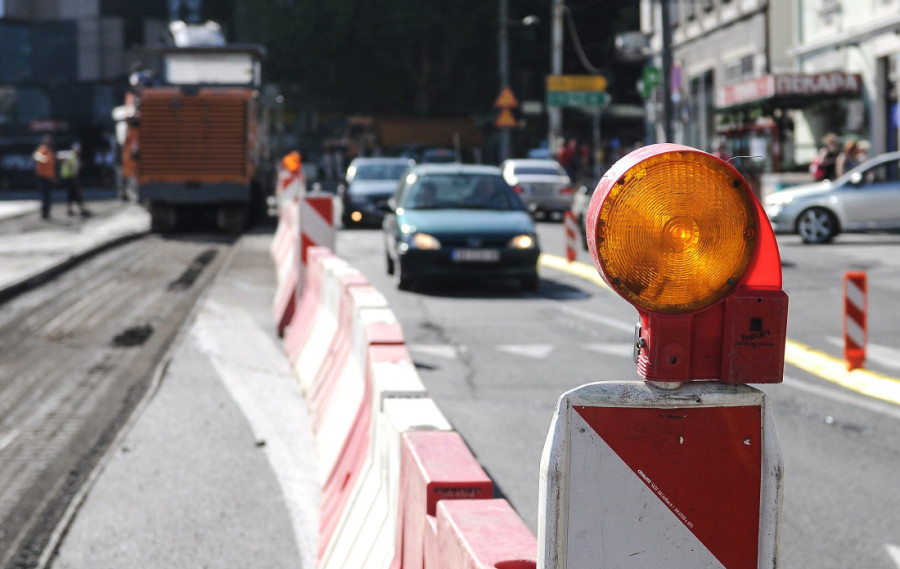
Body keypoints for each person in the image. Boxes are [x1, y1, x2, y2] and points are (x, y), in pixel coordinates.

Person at [57, 142, 91, 217]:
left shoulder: (76, 157)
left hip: (73, 177)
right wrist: (68, 164)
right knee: (73, 194)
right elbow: (59, 155)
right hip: (68, 177)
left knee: (74, 194)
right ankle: (75, 209)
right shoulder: (69, 154)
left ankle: (75, 209)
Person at [32, 135, 56, 219]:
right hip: (43, 177)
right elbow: (36, 156)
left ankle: (47, 212)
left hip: (49, 177)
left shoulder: (50, 151)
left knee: (48, 196)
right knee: (45, 196)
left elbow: (51, 166)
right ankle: (44, 213)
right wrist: (44, 159)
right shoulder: (43, 149)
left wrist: (53, 177)